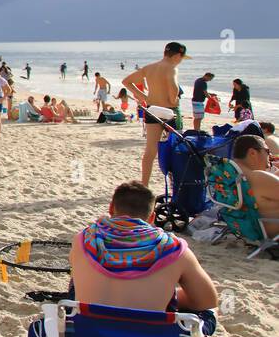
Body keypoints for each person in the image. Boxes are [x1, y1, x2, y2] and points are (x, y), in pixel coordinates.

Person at [69, 181, 218, 311]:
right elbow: (207, 301)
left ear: (110, 208)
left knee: (75, 283)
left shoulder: (84, 239)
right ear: (152, 217)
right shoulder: (173, 248)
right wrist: (168, 296)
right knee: (208, 313)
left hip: (90, 334)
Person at [122, 42, 189, 185]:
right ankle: (177, 183)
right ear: (177, 55)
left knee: (150, 150)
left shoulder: (150, 68)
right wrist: (174, 99)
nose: (181, 60)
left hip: (152, 110)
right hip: (169, 111)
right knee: (176, 148)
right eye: (182, 57)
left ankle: (144, 184)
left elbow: (126, 81)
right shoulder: (172, 68)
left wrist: (143, 97)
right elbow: (173, 88)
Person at [234, 136, 279, 236]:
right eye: (267, 151)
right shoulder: (257, 177)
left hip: (245, 228)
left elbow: (265, 189)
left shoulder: (232, 175)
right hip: (271, 231)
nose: (270, 155)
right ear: (253, 153)